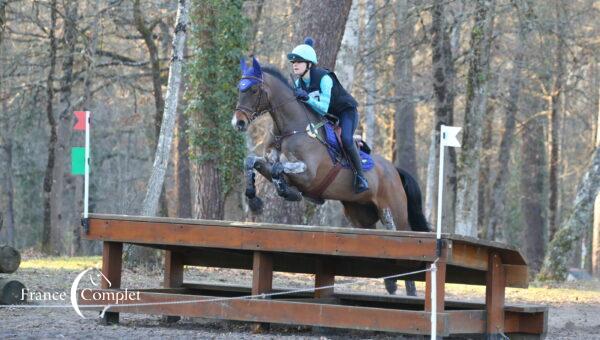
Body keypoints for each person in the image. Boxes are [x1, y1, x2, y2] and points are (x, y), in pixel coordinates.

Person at [287, 37, 369, 194]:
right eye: (293, 62)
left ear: (309, 64)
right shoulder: (298, 84)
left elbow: (323, 108)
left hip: (346, 113)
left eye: (299, 61)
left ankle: (361, 176)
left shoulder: (324, 78)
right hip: (328, 118)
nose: (295, 64)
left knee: (345, 139)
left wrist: (306, 97)